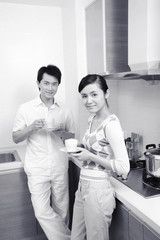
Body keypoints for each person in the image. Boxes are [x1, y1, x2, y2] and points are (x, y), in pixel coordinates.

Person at [12, 65, 75, 240]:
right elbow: (16, 137)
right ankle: (69, 238)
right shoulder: (26, 108)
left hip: (59, 166)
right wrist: (31, 128)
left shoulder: (65, 109)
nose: (50, 88)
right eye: (46, 83)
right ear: (38, 83)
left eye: (54, 84)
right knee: (41, 211)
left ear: (58, 85)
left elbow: (72, 137)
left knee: (62, 210)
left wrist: (61, 131)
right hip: (37, 168)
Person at [70, 74, 130, 240]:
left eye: (94, 94)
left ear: (106, 94)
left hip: (98, 190)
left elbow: (124, 167)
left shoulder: (111, 124)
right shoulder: (92, 119)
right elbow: (96, 150)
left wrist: (90, 156)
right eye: (84, 96)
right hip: (83, 187)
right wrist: (80, 148)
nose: (88, 100)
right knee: (76, 237)